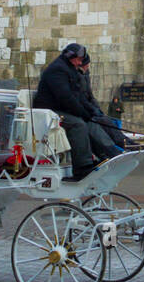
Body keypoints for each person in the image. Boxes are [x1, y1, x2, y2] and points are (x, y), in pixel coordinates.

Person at [34, 43, 123, 181]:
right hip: (49, 110)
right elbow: (65, 98)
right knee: (78, 124)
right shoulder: (57, 70)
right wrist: (82, 113)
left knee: (92, 121)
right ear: (70, 57)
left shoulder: (70, 69)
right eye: (79, 59)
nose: (81, 62)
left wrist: (90, 112)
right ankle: (82, 167)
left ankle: (107, 154)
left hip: (62, 109)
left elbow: (79, 96)